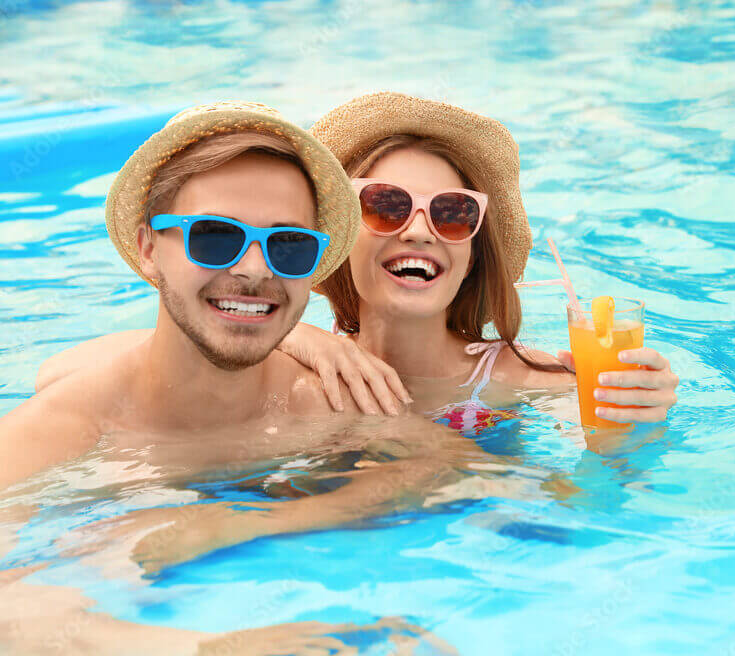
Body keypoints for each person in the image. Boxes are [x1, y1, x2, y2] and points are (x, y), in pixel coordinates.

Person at [37, 92, 679, 428]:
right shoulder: (283, 357)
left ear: (471, 249)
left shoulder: (535, 384)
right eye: (387, 206)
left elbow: (602, 504)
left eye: (452, 212)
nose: (420, 231)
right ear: (339, 238)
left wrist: (636, 420)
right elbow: (67, 371)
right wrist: (311, 342)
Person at [0, 101, 475, 492]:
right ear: (149, 249)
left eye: (289, 243)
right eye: (213, 236)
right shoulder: (57, 436)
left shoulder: (331, 401)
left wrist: (272, 521)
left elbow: (470, 480)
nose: (254, 268)